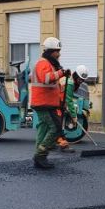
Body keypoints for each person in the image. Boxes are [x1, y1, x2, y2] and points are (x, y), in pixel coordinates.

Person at [30, 37, 68, 169]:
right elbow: (46, 79)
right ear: (51, 51)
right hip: (42, 103)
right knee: (54, 128)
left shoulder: (49, 64)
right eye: (57, 51)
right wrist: (61, 73)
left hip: (48, 103)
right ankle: (40, 155)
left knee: (44, 128)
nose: (59, 54)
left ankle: (40, 156)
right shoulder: (43, 63)